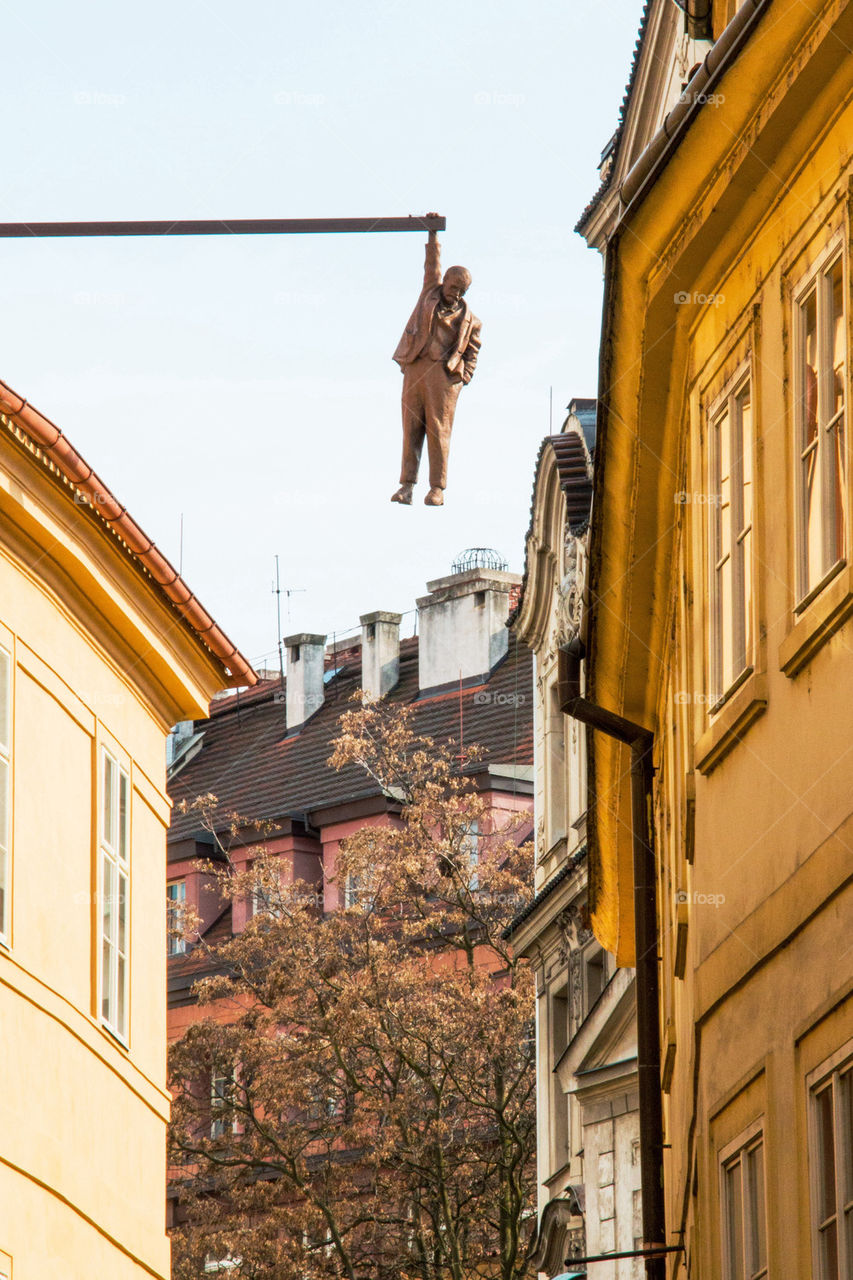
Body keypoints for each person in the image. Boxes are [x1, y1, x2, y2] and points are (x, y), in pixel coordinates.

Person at [391, 216, 482, 506]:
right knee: (411, 427)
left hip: (444, 376)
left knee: (438, 429)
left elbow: (473, 351)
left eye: (461, 291)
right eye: (453, 286)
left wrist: (463, 376)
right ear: (444, 283)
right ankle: (406, 486)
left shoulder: (472, 322)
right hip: (416, 366)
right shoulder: (429, 293)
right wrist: (432, 234)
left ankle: (437, 488)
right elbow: (432, 264)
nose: (455, 294)